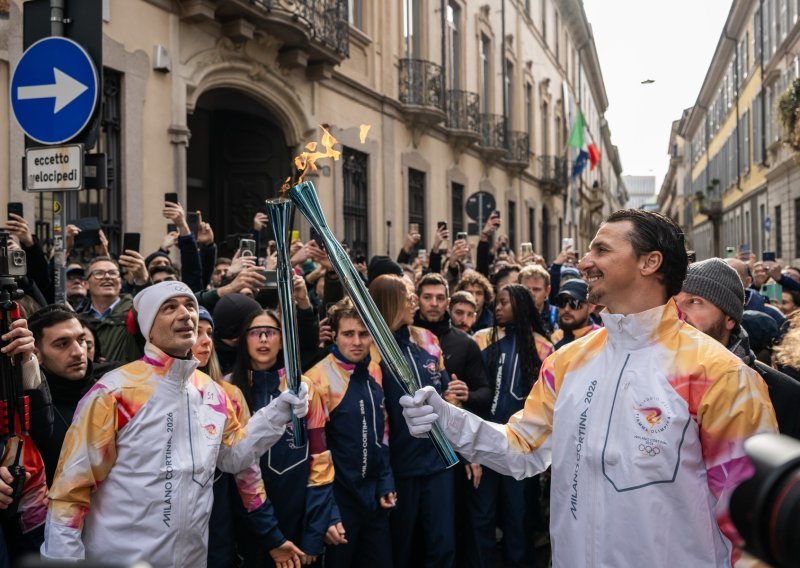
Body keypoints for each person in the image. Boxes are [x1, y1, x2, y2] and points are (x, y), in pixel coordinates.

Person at [400, 209, 778, 567]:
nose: (583, 263)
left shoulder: (720, 376)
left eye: (602, 250)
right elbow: (522, 448)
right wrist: (448, 420)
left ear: (650, 262)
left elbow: (754, 526)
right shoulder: (568, 362)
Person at [41, 281, 309, 566]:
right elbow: (70, 490)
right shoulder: (115, 393)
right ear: (149, 328)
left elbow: (233, 457)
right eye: (170, 307)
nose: (185, 314)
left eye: (190, 305)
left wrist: (279, 411)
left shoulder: (212, 393)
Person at [229, 309, 341, 565]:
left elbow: (320, 460)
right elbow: (244, 475)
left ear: (283, 340)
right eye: (256, 333)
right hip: (250, 524)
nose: (264, 339)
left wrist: (314, 533)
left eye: (271, 332)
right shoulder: (229, 390)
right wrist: (272, 537)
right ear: (244, 339)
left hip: (301, 517)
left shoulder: (304, 388)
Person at [194, 307, 302, 568]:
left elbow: (245, 471)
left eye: (209, 332)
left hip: (223, 523)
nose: (205, 340)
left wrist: (272, 534)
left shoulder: (225, 394)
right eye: (196, 332)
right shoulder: (137, 391)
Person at [369, 274, 457, 568]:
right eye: (408, 297)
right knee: (401, 547)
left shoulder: (428, 340)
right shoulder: (372, 351)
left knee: (442, 545)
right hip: (401, 466)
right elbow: (377, 419)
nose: (415, 302)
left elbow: (444, 391)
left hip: (439, 461)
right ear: (391, 302)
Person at [305, 298, 396, 567]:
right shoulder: (315, 379)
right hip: (339, 503)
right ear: (334, 336)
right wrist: (328, 512)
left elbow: (383, 434)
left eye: (363, 334)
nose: (357, 341)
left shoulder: (375, 370)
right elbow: (314, 455)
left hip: (373, 501)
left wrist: (386, 480)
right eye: (348, 334)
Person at [468, 283, 553, 568]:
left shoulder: (543, 346)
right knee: (483, 515)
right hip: (484, 443)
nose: (497, 308)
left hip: (521, 446)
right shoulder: (481, 339)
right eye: (497, 302)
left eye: (504, 302)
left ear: (521, 304)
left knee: (517, 515)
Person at [412, 273, 491, 567]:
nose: (433, 304)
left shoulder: (464, 343)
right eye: (427, 297)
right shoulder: (403, 337)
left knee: (446, 532)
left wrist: (467, 393)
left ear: (448, 300)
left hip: (451, 452)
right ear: (417, 300)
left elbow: (485, 393)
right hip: (409, 451)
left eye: (439, 298)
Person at [676, 258, 800, 439]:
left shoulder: (784, 395)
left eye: (694, 302)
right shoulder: (653, 374)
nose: (678, 314)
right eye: (673, 303)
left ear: (730, 319)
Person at [27, 306, 119, 487]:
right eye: (62, 344)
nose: (78, 352)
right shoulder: (30, 406)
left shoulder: (115, 384)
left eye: (81, 340)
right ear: (37, 354)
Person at [77, 256, 144, 363]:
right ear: (86, 284)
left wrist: (143, 281)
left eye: (113, 273)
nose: (107, 277)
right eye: (99, 273)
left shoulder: (137, 310)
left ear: (120, 282)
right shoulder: (78, 321)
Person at [549, 279, 601, 350]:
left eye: (574, 303)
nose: (566, 309)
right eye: (562, 302)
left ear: (590, 307)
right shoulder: (554, 339)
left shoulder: (601, 339)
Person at [518, 265, 558, 335]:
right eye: (526, 289)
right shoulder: (510, 316)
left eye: (536, 289)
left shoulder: (558, 316)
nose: (531, 293)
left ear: (547, 291)